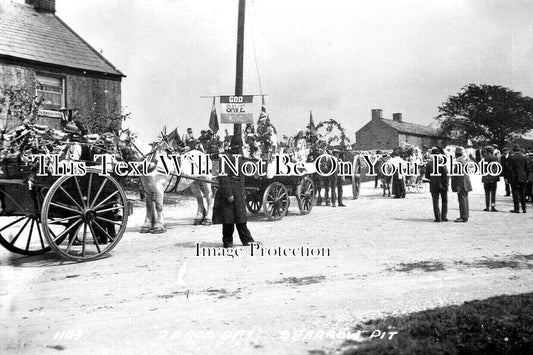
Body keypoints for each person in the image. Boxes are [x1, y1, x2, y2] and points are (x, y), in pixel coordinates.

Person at [212, 138, 256, 248]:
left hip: (239, 192)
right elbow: (223, 178)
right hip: (230, 193)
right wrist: (229, 194)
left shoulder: (241, 158)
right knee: (228, 219)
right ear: (236, 147)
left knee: (241, 218)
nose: (243, 149)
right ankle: (227, 242)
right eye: (242, 147)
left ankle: (247, 240)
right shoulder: (226, 158)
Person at [425, 147, 448, 222]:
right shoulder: (442, 162)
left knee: (435, 201)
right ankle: (443, 216)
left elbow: (427, 176)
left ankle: (437, 217)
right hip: (443, 184)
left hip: (433, 184)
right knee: (444, 201)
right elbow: (446, 173)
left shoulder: (429, 164)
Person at [451, 147, 472, 222]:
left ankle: (463, 217)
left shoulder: (459, 162)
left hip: (462, 184)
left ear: (456, 155)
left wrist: (458, 186)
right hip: (465, 183)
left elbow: (460, 175)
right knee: (465, 200)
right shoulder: (464, 161)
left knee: (462, 200)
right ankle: (465, 215)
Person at [508, 144, 530, 213]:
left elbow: (510, 169)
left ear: (513, 150)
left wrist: (508, 178)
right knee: (523, 193)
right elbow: (527, 168)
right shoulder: (524, 157)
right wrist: (527, 177)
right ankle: (524, 208)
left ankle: (516, 208)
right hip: (523, 177)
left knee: (515, 193)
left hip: (514, 177)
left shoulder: (511, 157)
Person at [481, 146, 500, 212]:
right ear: (492, 151)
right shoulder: (496, 158)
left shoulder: (483, 158)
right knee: (493, 193)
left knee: (487, 193)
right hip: (493, 177)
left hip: (486, 177)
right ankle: (493, 206)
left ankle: (487, 207)